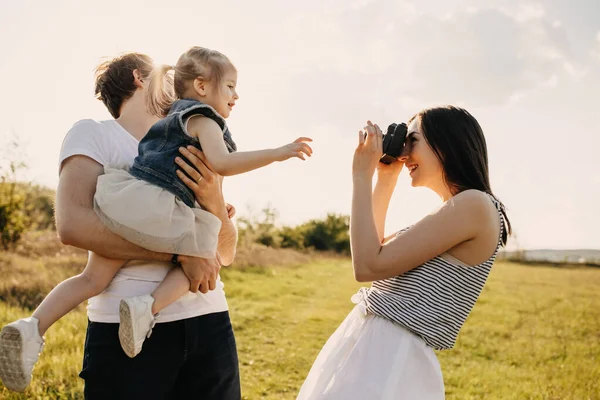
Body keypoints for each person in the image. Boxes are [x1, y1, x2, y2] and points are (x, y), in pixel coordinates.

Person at [0, 52, 241, 399]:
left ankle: (32, 327)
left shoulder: (193, 139)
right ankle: (32, 329)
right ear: (140, 78)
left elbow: (226, 253)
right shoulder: (95, 134)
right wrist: (180, 253)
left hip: (209, 319)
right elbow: (72, 226)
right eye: (170, 77)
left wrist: (216, 202)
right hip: (123, 329)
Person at [297, 107, 512, 400]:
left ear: (446, 143)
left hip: (388, 359)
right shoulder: (454, 210)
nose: (404, 152)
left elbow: (367, 265)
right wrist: (385, 178)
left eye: (413, 141)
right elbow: (372, 248)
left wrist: (361, 175)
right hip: (376, 351)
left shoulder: (474, 205)